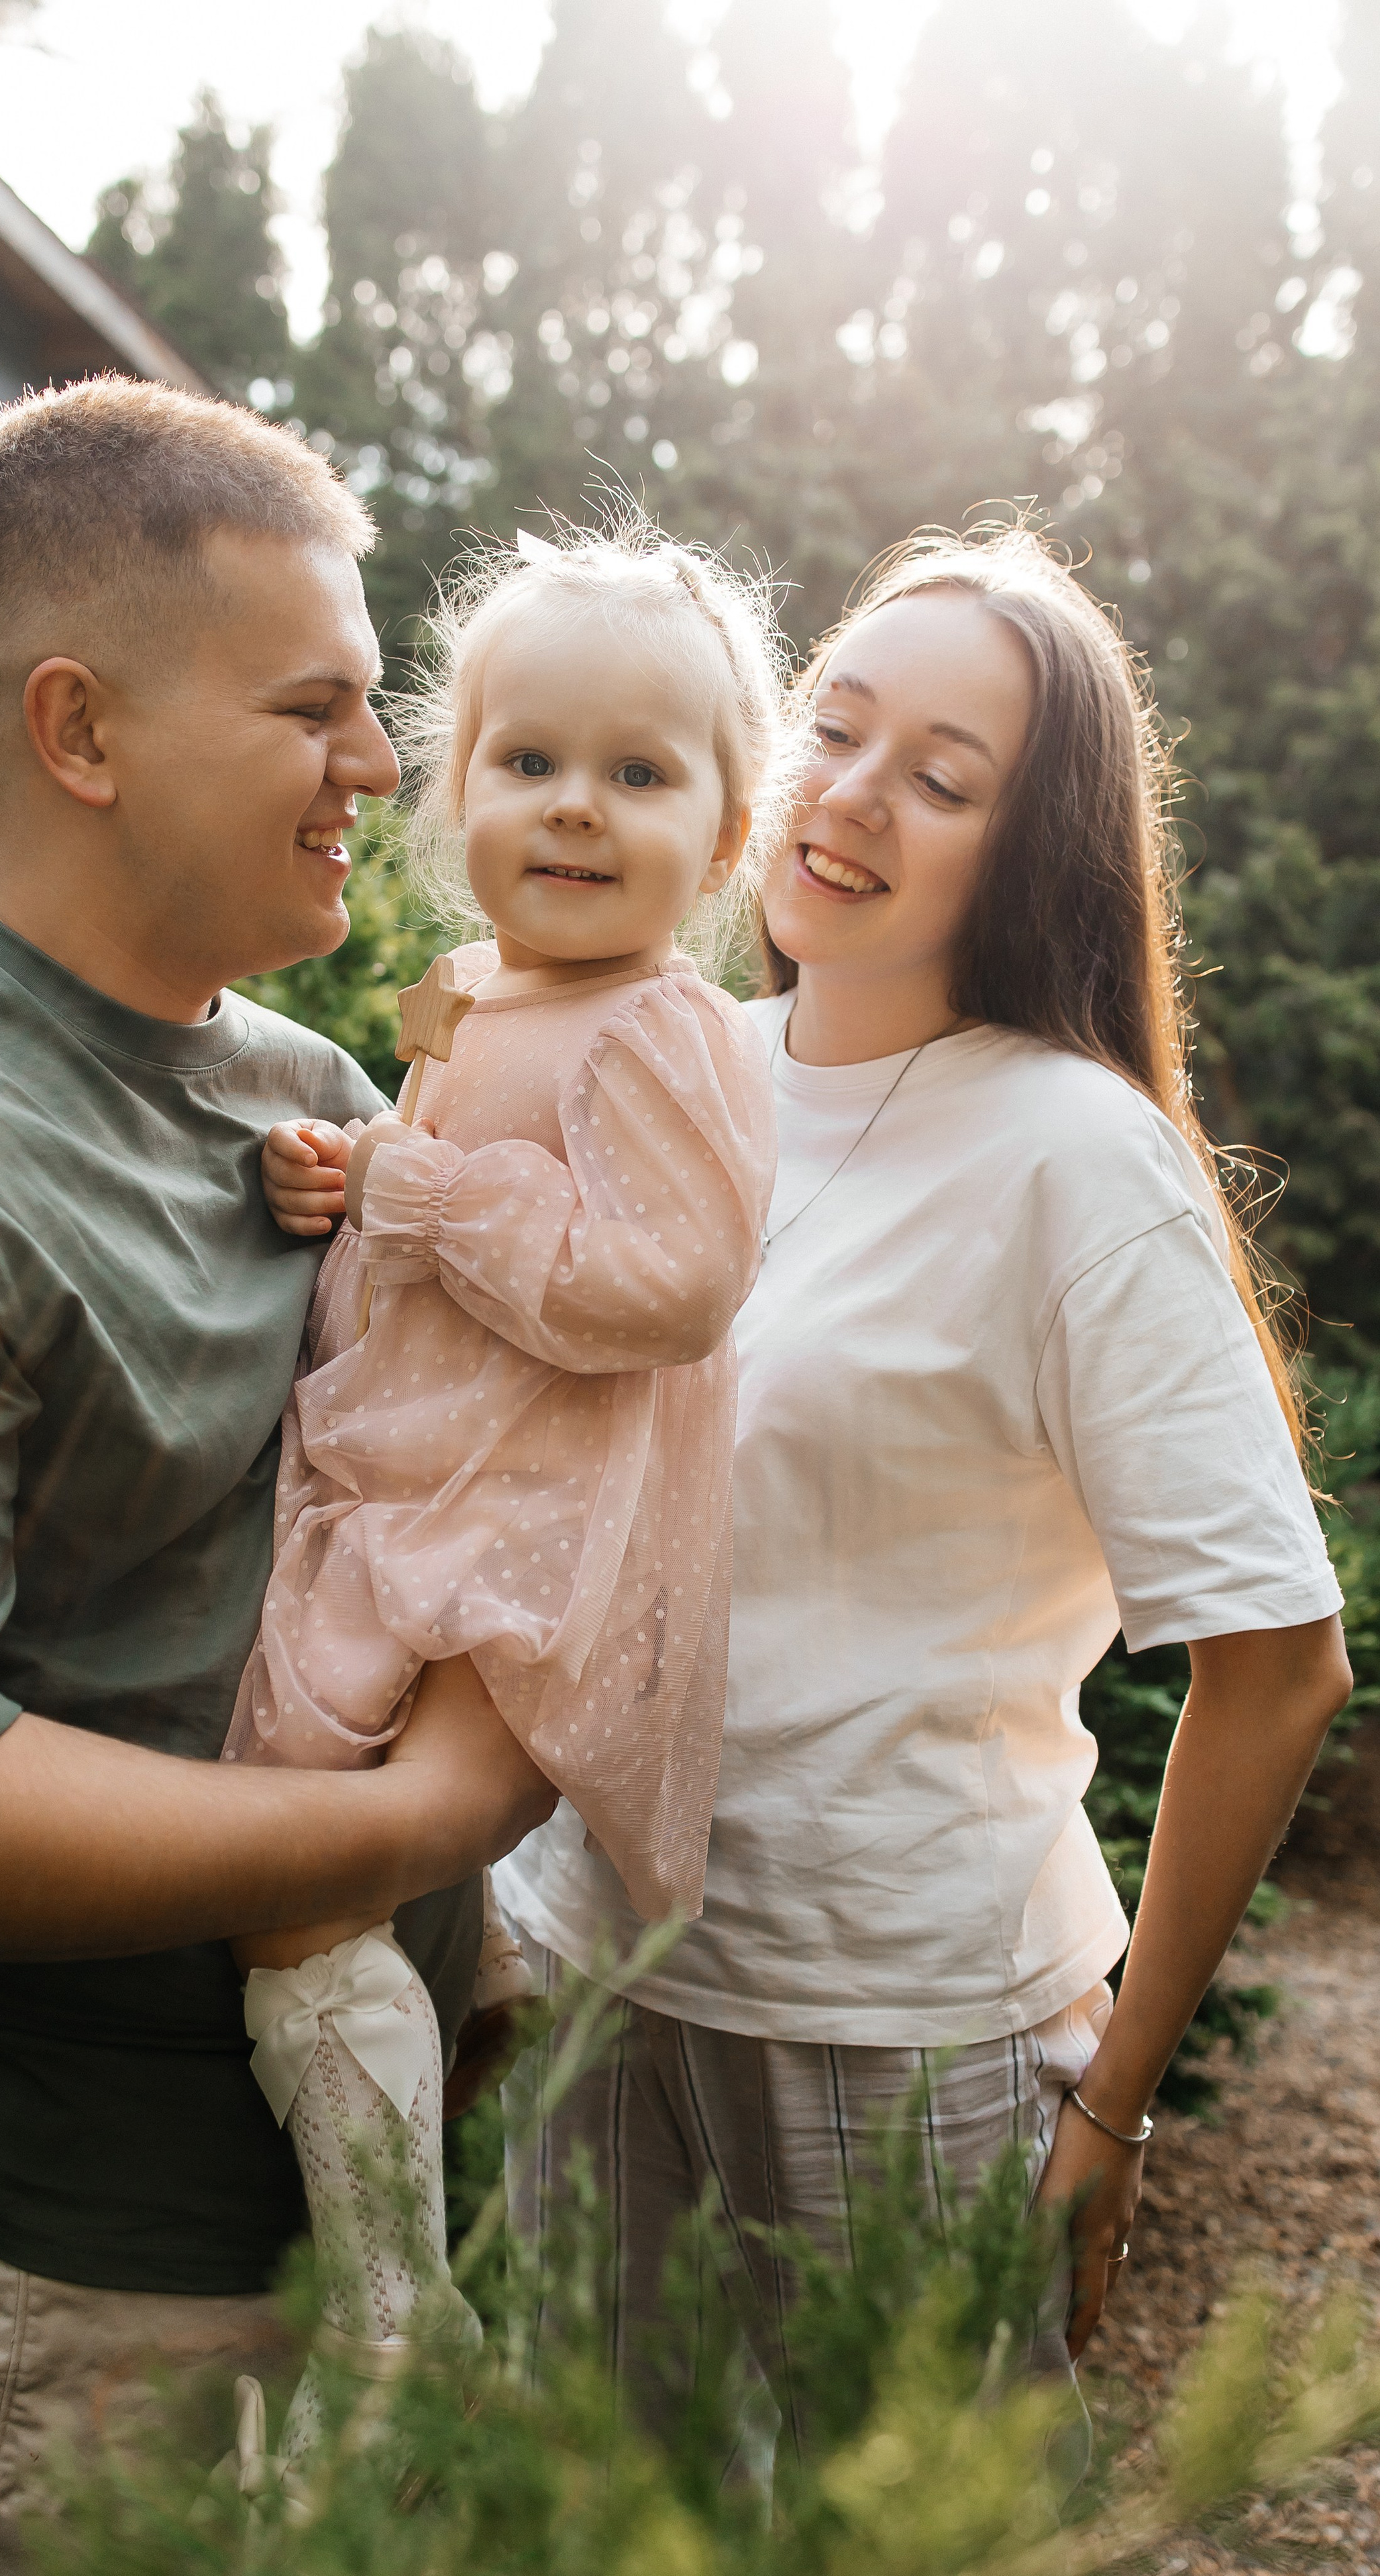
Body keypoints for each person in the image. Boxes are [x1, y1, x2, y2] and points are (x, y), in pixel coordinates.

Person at [0, 379, 551, 2572]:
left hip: (355, 2202)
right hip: (55, 2276)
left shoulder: (310, 1085)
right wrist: (415, 1826)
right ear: (80, 729)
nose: (380, 769)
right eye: (312, 709)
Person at [494, 524, 1352, 2450]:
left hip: (904, 2029)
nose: (857, 795)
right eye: (838, 726)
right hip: (589, 1974)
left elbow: (1279, 1665)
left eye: (945, 779)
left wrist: (1115, 2098)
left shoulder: (1074, 1158)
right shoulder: (661, 1065)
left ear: (1029, 850)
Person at [232, 521, 784, 2459]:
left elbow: (674, 1281)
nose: (575, 807)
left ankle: (394, 2314)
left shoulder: (660, 1027)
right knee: (304, 1886)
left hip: (523, 1523)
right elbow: (428, 1216)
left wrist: (419, 1190)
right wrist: (347, 1179)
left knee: (302, 1872)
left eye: (640, 773)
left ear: (727, 838)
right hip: (408, 1482)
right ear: (452, 785)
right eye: (529, 759)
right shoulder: (472, 994)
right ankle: (445, 2107)